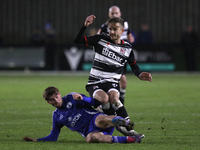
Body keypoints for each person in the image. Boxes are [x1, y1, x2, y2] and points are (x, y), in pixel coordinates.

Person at [73, 15, 152, 125]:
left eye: (115, 29)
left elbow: (133, 65)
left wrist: (139, 74)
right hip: (96, 82)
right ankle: (116, 121)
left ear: (122, 31)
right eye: (110, 29)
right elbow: (77, 40)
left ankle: (127, 126)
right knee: (105, 99)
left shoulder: (127, 48)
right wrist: (84, 26)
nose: (112, 32)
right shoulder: (100, 39)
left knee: (114, 99)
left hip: (112, 82)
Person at [23, 86, 143, 144]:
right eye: (52, 100)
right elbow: (53, 137)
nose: (56, 100)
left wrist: (83, 98)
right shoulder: (57, 117)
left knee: (100, 120)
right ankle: (131, 139)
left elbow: (95, 102)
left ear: (59, 94)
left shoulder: (71, 97)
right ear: (48, 102)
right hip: (90, 131)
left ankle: (124, 122)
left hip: (95, 119)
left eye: (56, 97)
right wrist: (36, 140)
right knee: (90, 139)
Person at [97, 6, 135, 105]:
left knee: (123, 83)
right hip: (110, 57)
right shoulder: (105, 26)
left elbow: (130, 36)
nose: (114, 15)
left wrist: (130, 39)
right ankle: (110, 104)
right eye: (112, 13)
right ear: (109, 15)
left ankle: (117, 102)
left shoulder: (125, 24)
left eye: (116, 13)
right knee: (118, 81)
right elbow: (98, 37)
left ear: (120, 14)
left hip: (122, 55)